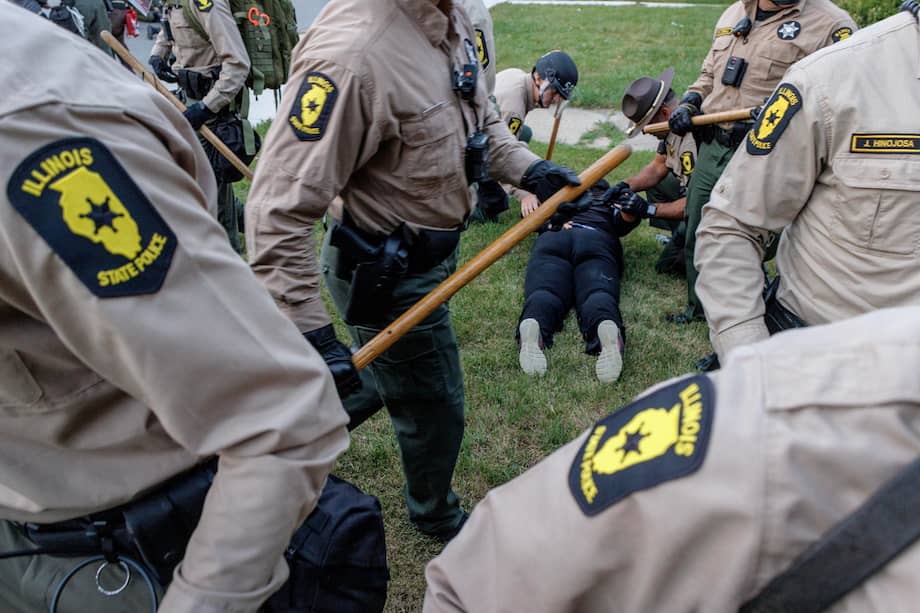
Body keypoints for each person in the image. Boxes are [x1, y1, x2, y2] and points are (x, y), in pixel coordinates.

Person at [0, 5, 350, 612]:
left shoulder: (27, 132)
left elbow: (277, 413)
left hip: (116, 542)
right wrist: (162, 61)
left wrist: (208, 105)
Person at [245, 0, 580, 543]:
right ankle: (435, 513)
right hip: (386, 273)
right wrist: (313, 337)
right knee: (435, 405)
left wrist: (530, 169)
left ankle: (273, 437)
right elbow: (275, 211)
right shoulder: (355, 55)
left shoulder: (449, 21)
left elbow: (480, 118)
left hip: (426, 257)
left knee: (379, 374)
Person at [423, 306, 920, 611]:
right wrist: (533, 189)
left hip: (594, 242)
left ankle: (590, 328)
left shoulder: (597, 208)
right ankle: (543, 323)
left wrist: (622, 210)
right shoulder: (776, 421)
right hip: (555, 241)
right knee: (549, 283)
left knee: (595, 284)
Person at [695, 7, 920, 364]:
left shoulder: (831, 23)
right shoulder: (831, 77)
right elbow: (730, 225)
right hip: (827, 363)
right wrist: (751, 365)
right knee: (693, 228)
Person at [667, 0, 856, 325]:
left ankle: (745, 313)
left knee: (753, 235)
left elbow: (842, 93)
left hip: (766, 150)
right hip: (714, 143)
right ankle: (698, 308)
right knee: (697, 228)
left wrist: (786, 112)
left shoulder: (831, 24)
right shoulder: (733, 13)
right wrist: (690, 101)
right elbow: (709, 73)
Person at [517, 180, 645, 383]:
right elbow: (624, 221)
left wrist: (529, 197)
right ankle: (606, 324)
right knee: (597, 292)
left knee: (545, 291)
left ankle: (534, 323)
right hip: (596, 237)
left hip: (554, 235)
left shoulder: (553, 199)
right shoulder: (608, 201)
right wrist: (631, 212)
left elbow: (530, 217)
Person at [149, 0, 250, 253]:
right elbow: (169, 27)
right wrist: (157, 54)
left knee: (211, 188)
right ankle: (251, 221)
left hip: (212, 110)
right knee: (194, 178)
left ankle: (229, 259)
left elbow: (237, 64)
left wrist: (207, 107)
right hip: (188, 100)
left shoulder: (207, 3)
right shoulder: (172, 2)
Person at [474, 50, 579, 222]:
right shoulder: (513, 109)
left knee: (525, 133)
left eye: (560, 96)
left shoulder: (519, 76)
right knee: (494, 204)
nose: (555, 100)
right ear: (538, 78)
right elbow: (500, 154)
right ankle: (473, 206)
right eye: (554, 92)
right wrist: (524, 193)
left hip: (482, 133)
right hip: (475, 153)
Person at [618, 68, 697, 277]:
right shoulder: (670, 128)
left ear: (664, 113)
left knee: (669, 267)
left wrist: (649, 209)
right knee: (660, 182)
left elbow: (696, 203)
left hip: (711, 211)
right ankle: (680, 235)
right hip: (694, 199)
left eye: (648, 125)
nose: (645, 131)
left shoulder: (691, 139)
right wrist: (626, 185)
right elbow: (657, 167)